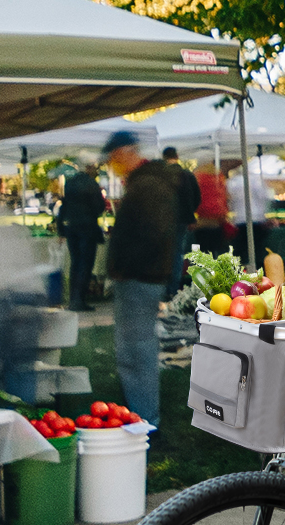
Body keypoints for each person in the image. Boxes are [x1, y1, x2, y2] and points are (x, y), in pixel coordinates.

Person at [103, 131, 179, 425]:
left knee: (137, 350)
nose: (111, 164)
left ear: (125, 153)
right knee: (135, 349)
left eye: (113, 158)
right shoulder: (148, 183)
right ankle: (141, 414)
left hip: (140, 277)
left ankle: (144, 418)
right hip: (143, 275)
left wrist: (125, 264)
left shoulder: (147, 185)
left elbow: (154, 234)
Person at [58, 161, 106, 312]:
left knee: (75, 263)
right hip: (87, 227)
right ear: (89, 167)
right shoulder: (91, 184)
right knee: (85, 264)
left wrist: (61, 229)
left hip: (71, 227)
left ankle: (74, 299)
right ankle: (80, 300)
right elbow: (99, 207)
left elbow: (64, 206)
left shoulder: (70, 183)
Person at [162, 147, 201, 299]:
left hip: (164, 221)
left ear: (164, 157)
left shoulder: (162, 176)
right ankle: (173, 289)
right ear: (177, 156)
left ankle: (164, 288)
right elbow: (197, 197)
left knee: (165, 254)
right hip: (182, 220)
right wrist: (190, 215)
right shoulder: (187, 175)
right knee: (178, 254)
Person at [227, 164, 271, 266]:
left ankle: (242, 271)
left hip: (240, 220)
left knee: (241, 251)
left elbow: (229, 200)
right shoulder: (257, 181)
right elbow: (265, 197)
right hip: (257, 219)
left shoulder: (233, 182)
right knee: (257, 250)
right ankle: (257, 270)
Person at [193, 162, 231, 256]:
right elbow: (225, 198)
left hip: (201, 222)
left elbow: (193, 199)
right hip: (217, 221)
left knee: (200, 251)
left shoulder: (197, 177)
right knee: (216, 252)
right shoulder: (219, 177)